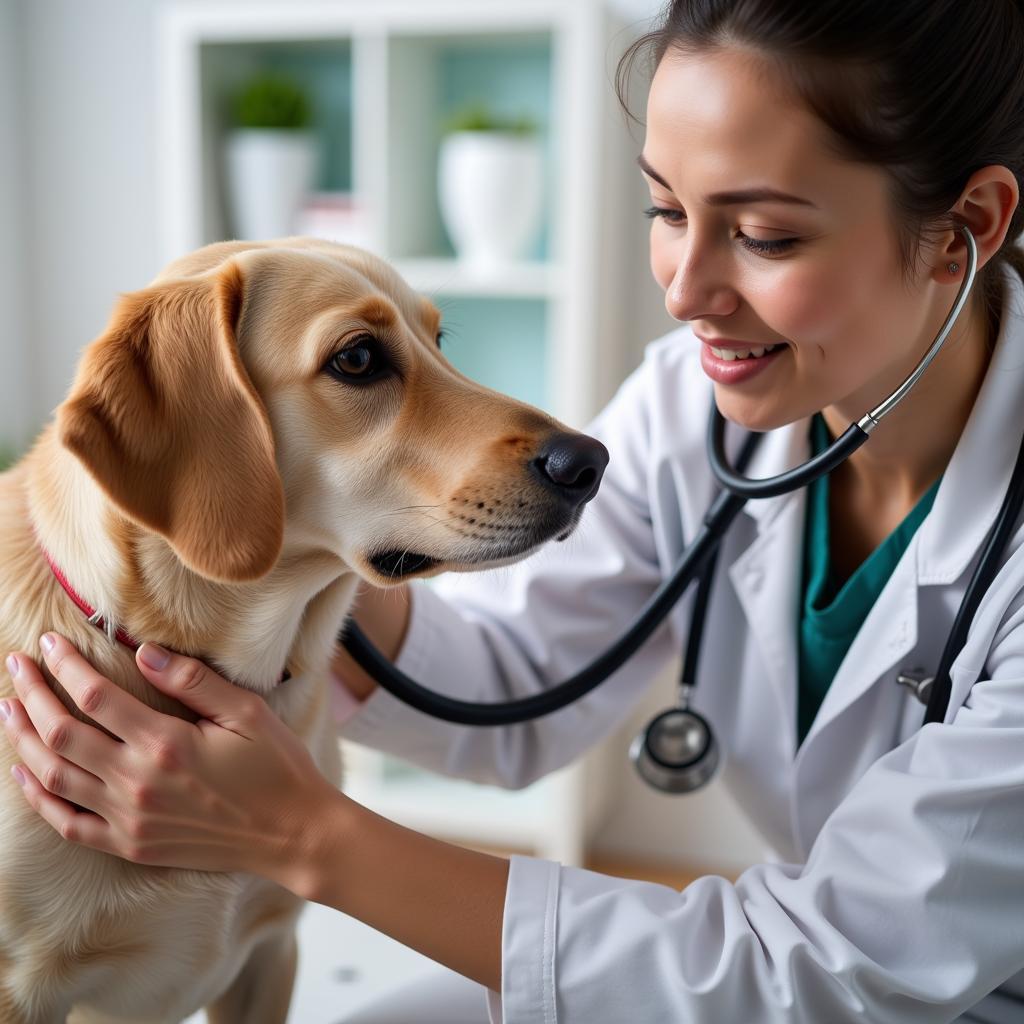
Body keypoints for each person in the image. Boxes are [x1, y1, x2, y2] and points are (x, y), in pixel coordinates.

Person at [4, 1, 1024, 1020]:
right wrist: (267, 565)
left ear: (965, 228)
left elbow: (817, 971)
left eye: (763, 234)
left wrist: (300, 833)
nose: (684, 292)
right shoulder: (701, 407)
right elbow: (522, 679)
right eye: (667, 213)